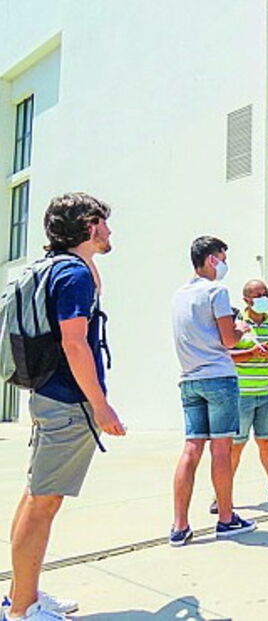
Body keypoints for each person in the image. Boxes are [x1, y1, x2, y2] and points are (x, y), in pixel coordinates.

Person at [4, 194, 125, 621]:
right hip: (67, 400)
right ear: (90, 225)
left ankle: (23, 593)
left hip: (48, 394)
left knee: (37, 496)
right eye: (104, 224)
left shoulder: (59, 268)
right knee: (43, 501)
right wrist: (101, 406)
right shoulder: (72, 274)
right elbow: (75, 343)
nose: (110, 232)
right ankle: (22, 610)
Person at [170, 236, 257, 547]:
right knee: (221, 449)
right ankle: (226, 518)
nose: (223, 264)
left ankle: (179, 525)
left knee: (191, 449)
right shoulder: (216, 291)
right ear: (210, 259)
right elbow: (228, 340)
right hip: (219, 377)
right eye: (221, 257)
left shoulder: (179, 295)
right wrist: (241, 329)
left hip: (189, 378)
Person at [224, 279, 268, 510]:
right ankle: (223, 494)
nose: (264, 297)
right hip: (241, 395)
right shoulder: (235, 325)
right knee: (234, 445)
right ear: (246, 300)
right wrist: (251, 353)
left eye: (265, 293)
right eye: (258, 294)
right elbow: (225, 356)